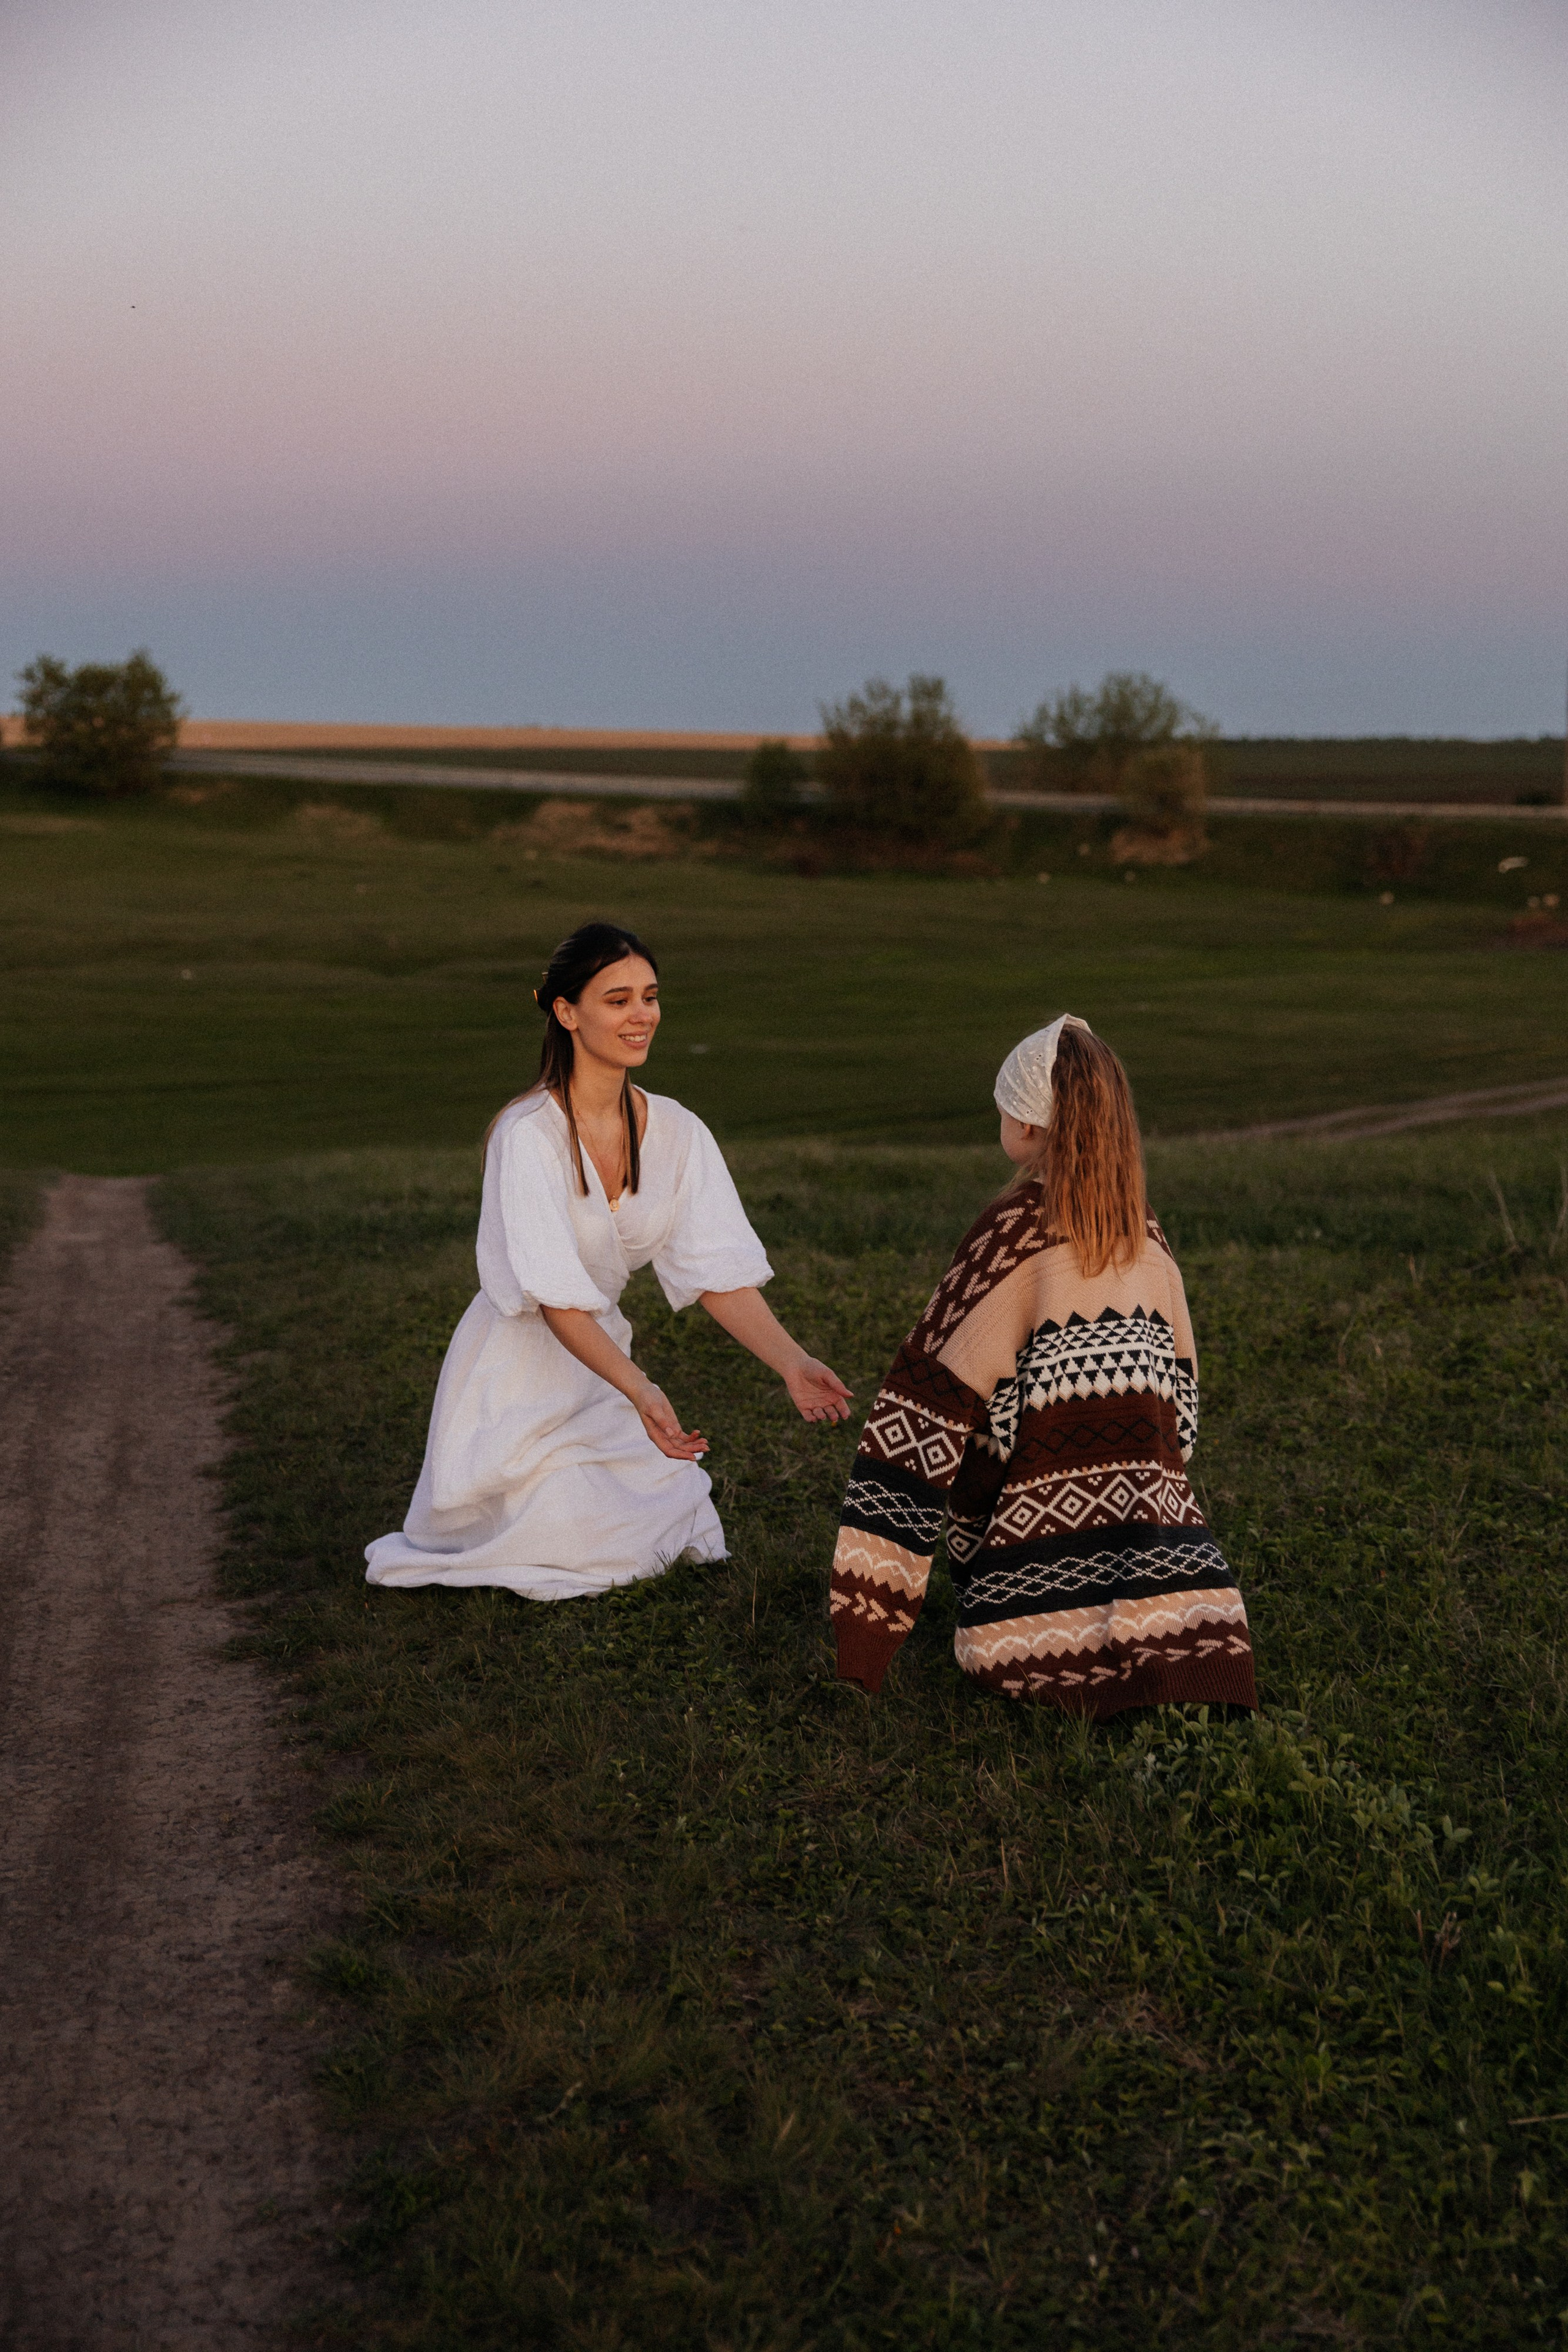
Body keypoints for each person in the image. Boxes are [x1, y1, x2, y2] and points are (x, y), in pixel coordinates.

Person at [366, 921, 851, 1602]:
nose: (641, 1015)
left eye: (649, 997)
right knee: (573, 1537)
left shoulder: (679, 1130)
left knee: (678, 1519)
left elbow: (718, 1271)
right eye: (617, 999)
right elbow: (558, 1299)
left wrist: (792, 1362)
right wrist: (641, 1390)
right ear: (566, 1012)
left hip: (604, 1366)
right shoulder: (527, 1135)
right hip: (517, 1376)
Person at [830, 1016, 1257, 1717]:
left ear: (1025, 1126)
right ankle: (1153, 1619)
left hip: (1020, 1558)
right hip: (1156, 1530)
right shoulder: (1146, 1235)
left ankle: (1042, 1616)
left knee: (971, 1425)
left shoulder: (1010, 1237)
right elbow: (1181, 1409)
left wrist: (865, 1629)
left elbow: (917, 1419)